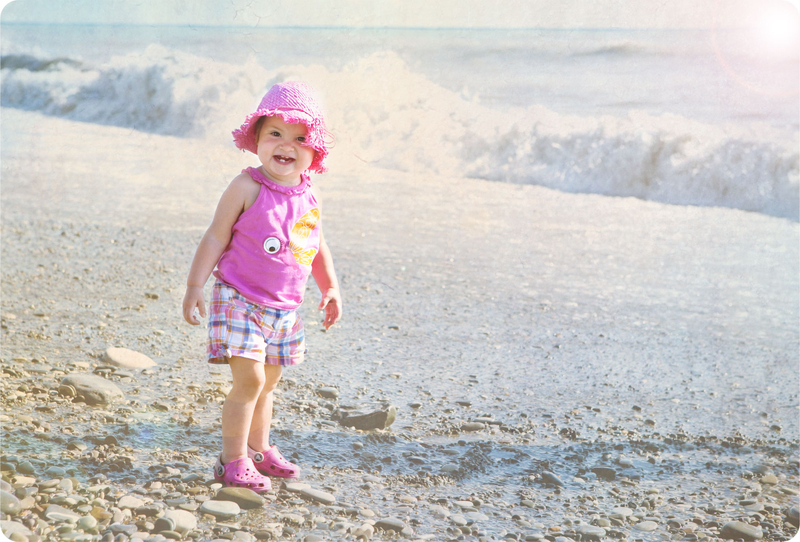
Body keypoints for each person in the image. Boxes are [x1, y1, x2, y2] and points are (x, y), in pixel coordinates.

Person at [182, 81, 342, 492]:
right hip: (239, 299)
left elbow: (316, 246)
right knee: (250, 381)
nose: (286, 145)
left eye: (300, 138)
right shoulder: (246, 187)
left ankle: (258, 448)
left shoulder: (309, 195)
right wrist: (195, 284)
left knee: (269, 383)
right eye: (275, 133)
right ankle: (230, 460)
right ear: (256, 137)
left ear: (315, 150)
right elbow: (216, 236)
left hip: (284, 308)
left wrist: (330, 288)